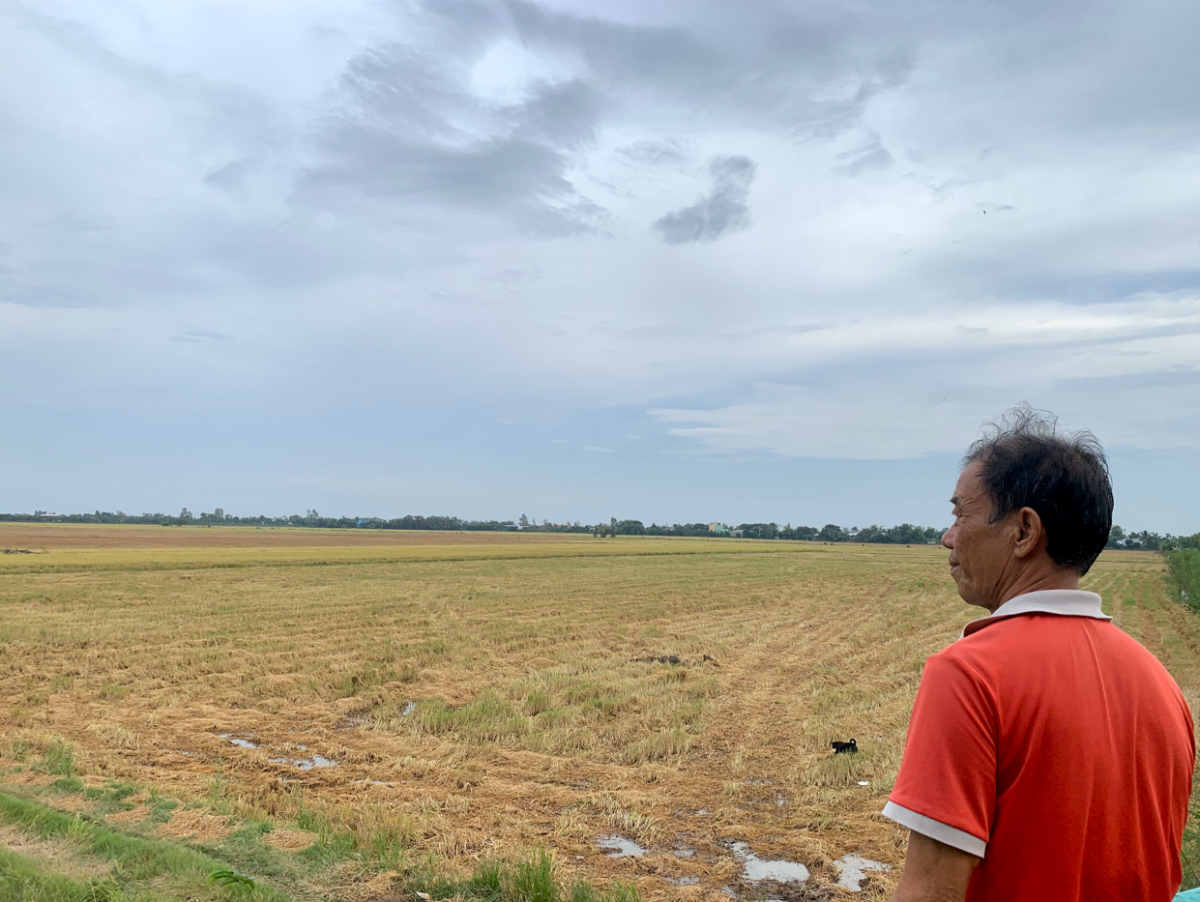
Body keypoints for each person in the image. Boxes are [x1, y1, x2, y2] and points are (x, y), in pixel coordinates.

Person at [884, 405, 1195, 902]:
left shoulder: (970, 673)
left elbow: (929, 892)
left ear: (1024, 532)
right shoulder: (1161, 684)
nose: (948, 535)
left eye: (960, 513)